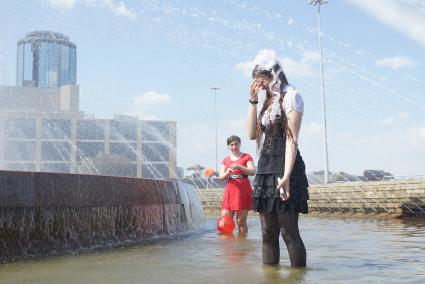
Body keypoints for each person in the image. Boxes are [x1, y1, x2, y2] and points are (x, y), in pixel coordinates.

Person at [247, 50, 309, 267]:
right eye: (256, 81)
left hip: (285, 167)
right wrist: (253, 101)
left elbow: (292, 139)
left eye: (261, 80)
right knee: (267, 233)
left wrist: (287, 175)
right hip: (265, 169)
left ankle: (298, 278)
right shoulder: (266, 101)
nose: (259, 85)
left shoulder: (292, 95)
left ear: (274, 75)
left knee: (288, 232)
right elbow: (252, 135)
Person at [217, 135, 256, 233]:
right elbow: (221, 176)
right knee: (225, 221)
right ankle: (228, 247)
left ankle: (242, 245)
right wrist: (227, 172)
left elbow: (252, 171)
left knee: (241, 221)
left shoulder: (246, 157)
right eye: (231, 145)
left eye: (236, 144)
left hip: (243, 190)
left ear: (240, 144)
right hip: (230, 190)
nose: (234, 147)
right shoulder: (225, 160)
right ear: (228, 147)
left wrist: (239, 167)